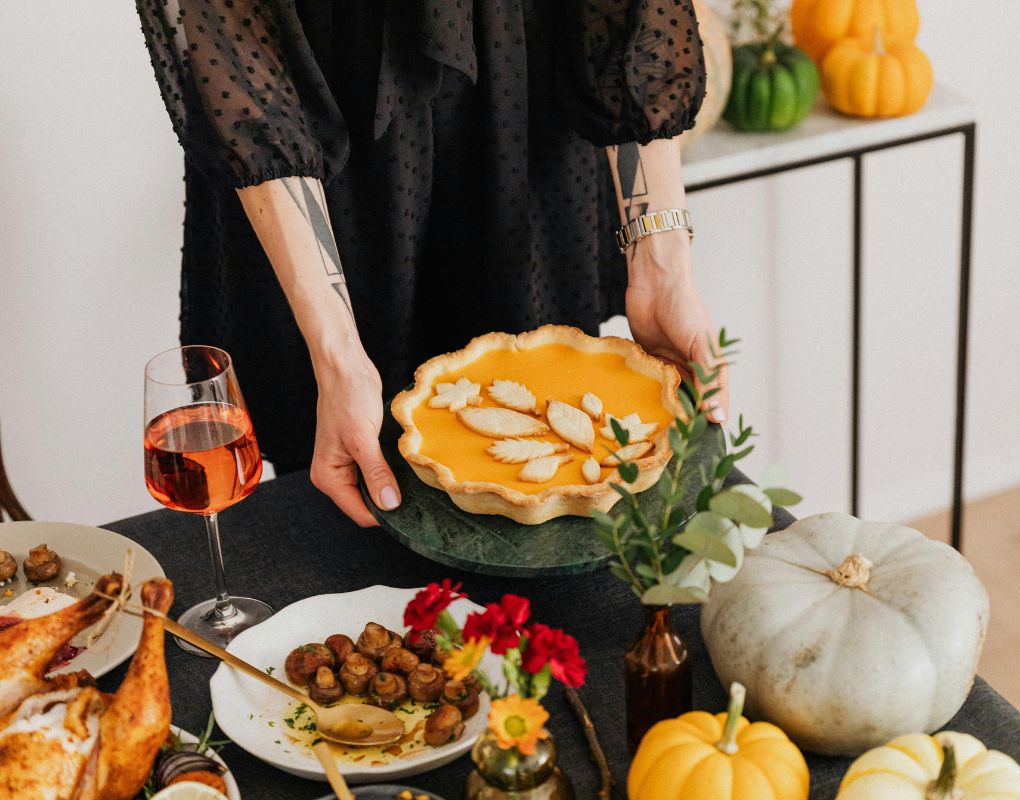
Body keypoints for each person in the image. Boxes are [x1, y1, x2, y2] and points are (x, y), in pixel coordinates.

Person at [135, 1, 727, 527]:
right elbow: (229, 41)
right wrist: (339, 355)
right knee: (343, 488)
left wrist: (661, 269)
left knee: (552, 479)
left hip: (526, 97)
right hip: (309, 125)